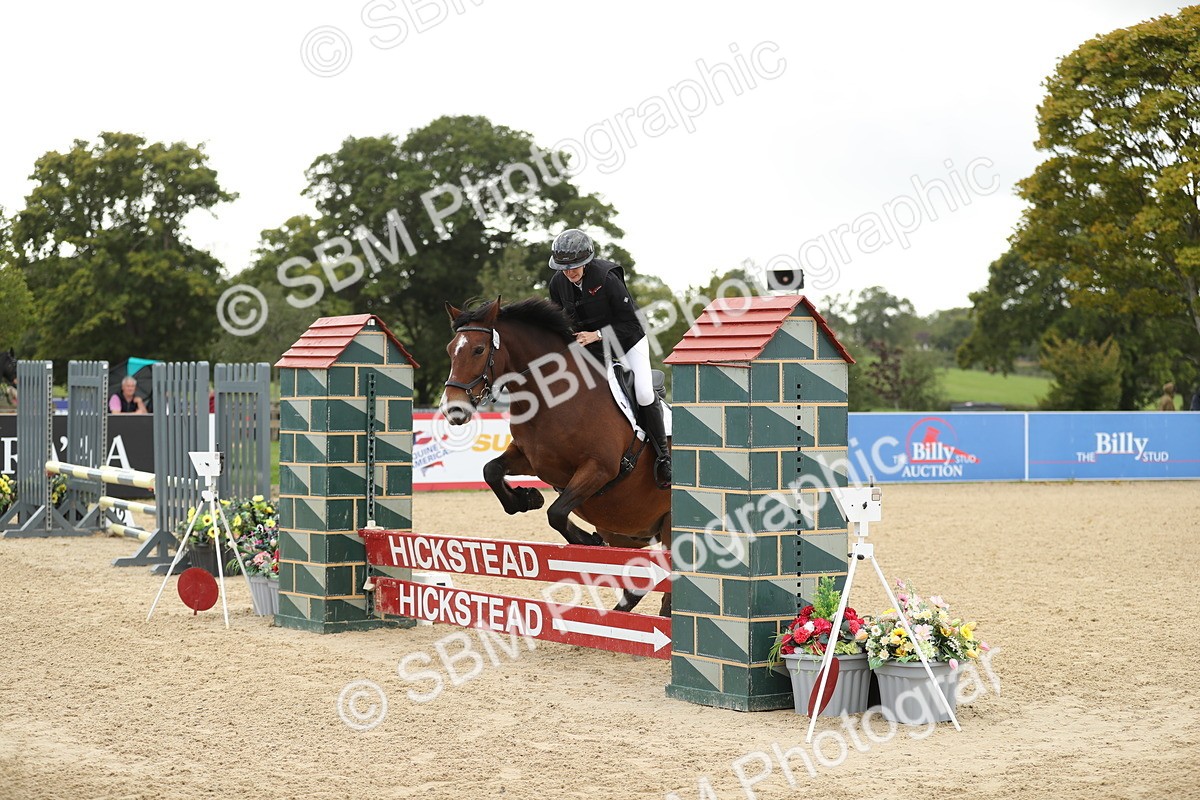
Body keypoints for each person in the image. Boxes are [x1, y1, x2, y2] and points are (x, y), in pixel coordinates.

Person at [547, 228, 671, 488]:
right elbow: (561, 321)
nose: (570, 272)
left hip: (627, 341)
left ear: (587, 262)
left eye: (575, 267)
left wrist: (597, 335)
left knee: (644, 393)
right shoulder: (558, 284)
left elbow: (633, 324)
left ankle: (664, 457)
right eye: (564, 267)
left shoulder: (606, 278)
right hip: (590, 347)